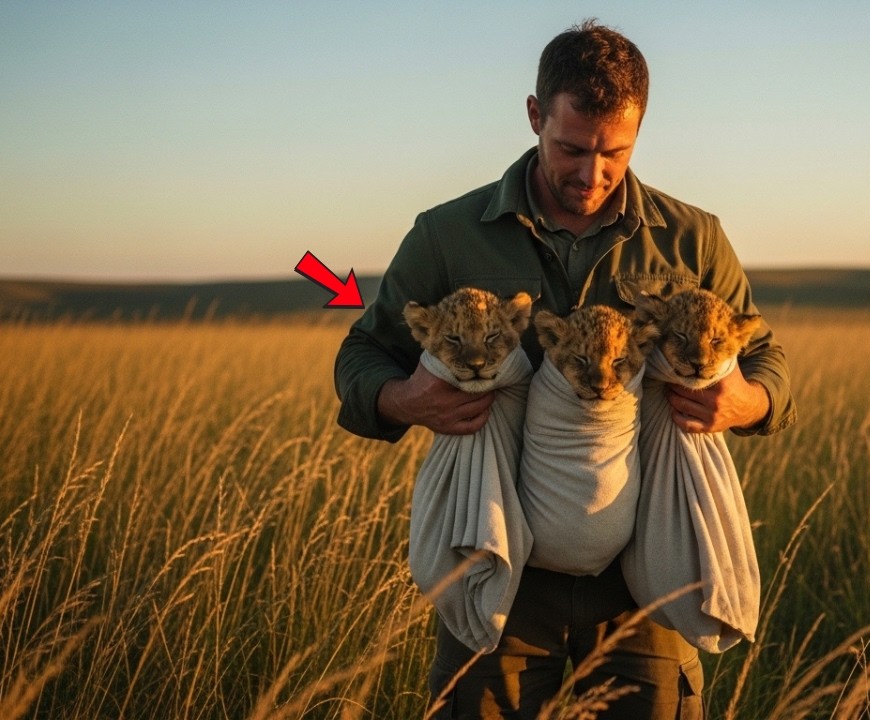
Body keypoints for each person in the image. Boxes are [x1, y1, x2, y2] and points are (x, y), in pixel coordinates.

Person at [334, 19, 796, 719]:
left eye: (616, 153)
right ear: (533, 116)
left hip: (647, 578)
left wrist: (748, 403)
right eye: (570, 149)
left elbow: (763, 355)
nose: (593, 174)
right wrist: (403, 400)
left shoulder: (693, 236)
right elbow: (362, 354)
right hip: (498, 574)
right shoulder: (447, 234)